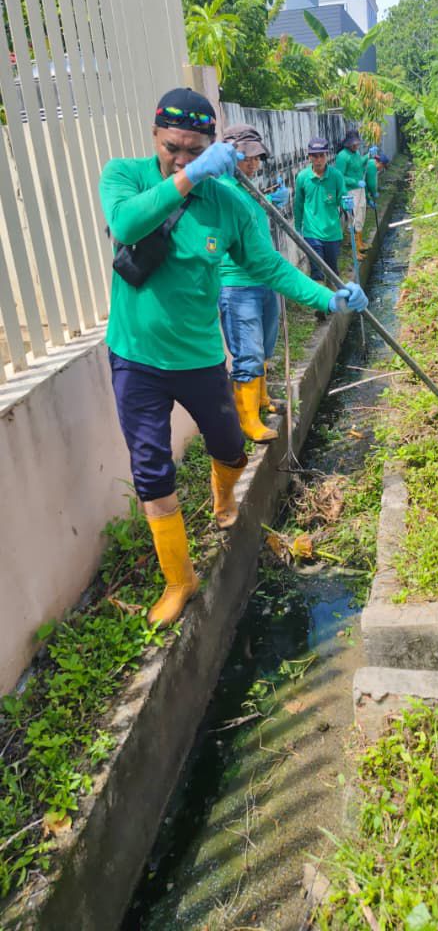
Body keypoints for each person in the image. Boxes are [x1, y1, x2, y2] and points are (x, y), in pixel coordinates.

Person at [99, 88, 368, 629]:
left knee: (231, 449)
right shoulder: (124, 176)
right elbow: (126, 226)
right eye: (174, 146)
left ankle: (225, 503)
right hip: (136, 357)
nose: (182, 156)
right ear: (156, 136)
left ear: (211, 144)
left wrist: (329, 297)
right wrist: (191, 176)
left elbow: (271, 268)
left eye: (195, 149)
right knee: (151, 468)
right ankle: (180, 581)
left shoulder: (230, 205)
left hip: (199, 359)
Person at [218, 123, 288, 443]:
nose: (253, 163)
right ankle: (248, 420)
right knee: (247, 352)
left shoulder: (245, 188)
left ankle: (261, 399)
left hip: (262, 281)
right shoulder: (221, 187)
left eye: (257, 158)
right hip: (237, 285)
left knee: (263, 346)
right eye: (246, 157)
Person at [294, 137, 349, 304]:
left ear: (326, 155)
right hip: (312, 233)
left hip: (332, 232)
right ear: (309, 157)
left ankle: (334, 303)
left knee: (332, 270)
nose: (318, 160)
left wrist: (347, 204)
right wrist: (297, 228)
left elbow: (343, 197)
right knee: (317, 271)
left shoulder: (336, 176)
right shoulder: (303, 177)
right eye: (314, 156)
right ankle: (320, 306)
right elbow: (298, 204)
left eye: (321, 156)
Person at [335, 129, 368, 259]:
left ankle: (360, 243)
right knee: (353, 218)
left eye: (357, 144)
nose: (356, 146)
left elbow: (359, 165)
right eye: (354, 144)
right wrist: (355, 181)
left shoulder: (356, 154)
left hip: (360, 189)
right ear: (348, 144)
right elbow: (340, 176)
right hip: (350, 191)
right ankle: (354, 251)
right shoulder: (342, 156)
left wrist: (368, 156)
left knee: (361, 215)